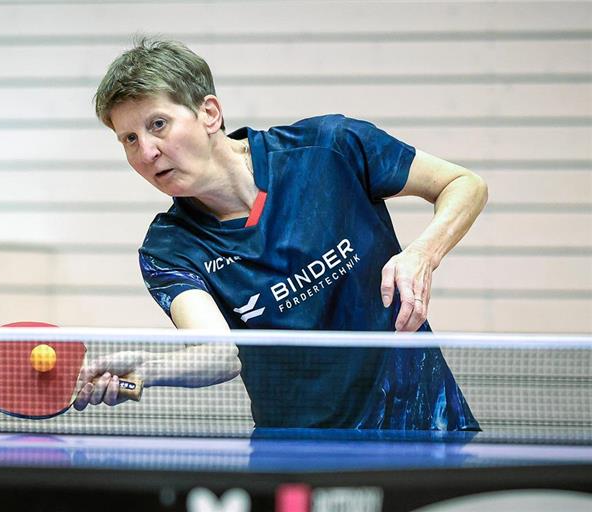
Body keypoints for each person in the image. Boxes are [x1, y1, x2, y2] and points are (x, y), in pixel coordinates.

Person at [73, 38, 487, 430]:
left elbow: (464, 184)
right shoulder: (170, 248)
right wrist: (148, 367)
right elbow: (218, 356)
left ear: (209, 113)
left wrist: (422, 254)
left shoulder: (329, 148)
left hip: (424, 425)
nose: (146, 152)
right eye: (130, 139)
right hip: (298, 450)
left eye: (158, 124)